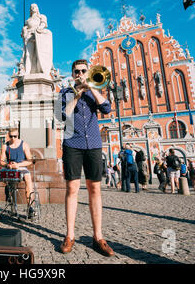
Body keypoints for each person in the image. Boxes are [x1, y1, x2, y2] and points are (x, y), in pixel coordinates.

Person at [59, 59, 114, 257]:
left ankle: (98, 237)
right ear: (72, 74)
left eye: (83, 71)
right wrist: (77, 93)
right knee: (72, 188)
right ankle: (70, 235)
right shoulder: (65, 92)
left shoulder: (94, 91)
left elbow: (107, 108)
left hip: (94, 144)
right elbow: (62, 116)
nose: (80, 74)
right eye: (76, 72)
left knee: (95, 188)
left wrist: (91, 88)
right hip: (72, 143)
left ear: (88, 72)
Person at [0, 128, 36, 218]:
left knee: (27, 177)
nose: (13, 138)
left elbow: (30, 161)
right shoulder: (5, 146)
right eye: (11, 136)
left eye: (15, 136)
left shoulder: (24, 145)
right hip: (9, 167)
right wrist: (7, 165)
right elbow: (1, 161)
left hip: (21, 167)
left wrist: (18, 165)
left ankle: (30, 207)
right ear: (8, 135)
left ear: (18, 135)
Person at [19, 3, 53, 76]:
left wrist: (39, 29)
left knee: (39, 55)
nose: (33, 8)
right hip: (29, 37)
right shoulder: (27, 21)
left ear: (37, 8)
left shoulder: (42, 17)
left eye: (35, 6)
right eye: (31, 7)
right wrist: (23, 30)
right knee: (28, 54)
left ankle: (40, 70)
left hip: (39, 36)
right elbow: (23, 34)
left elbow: (43, 24)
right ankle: (27, 72)